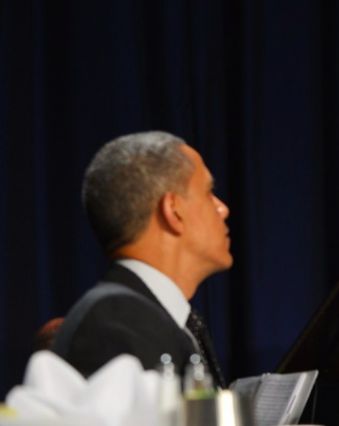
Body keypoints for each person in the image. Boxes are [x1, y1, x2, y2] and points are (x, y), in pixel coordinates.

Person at [52, 131, 231, 387]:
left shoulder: (140, 316)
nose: (223, 208)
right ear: (173, 211)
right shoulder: (116, 326)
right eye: (208, 192)